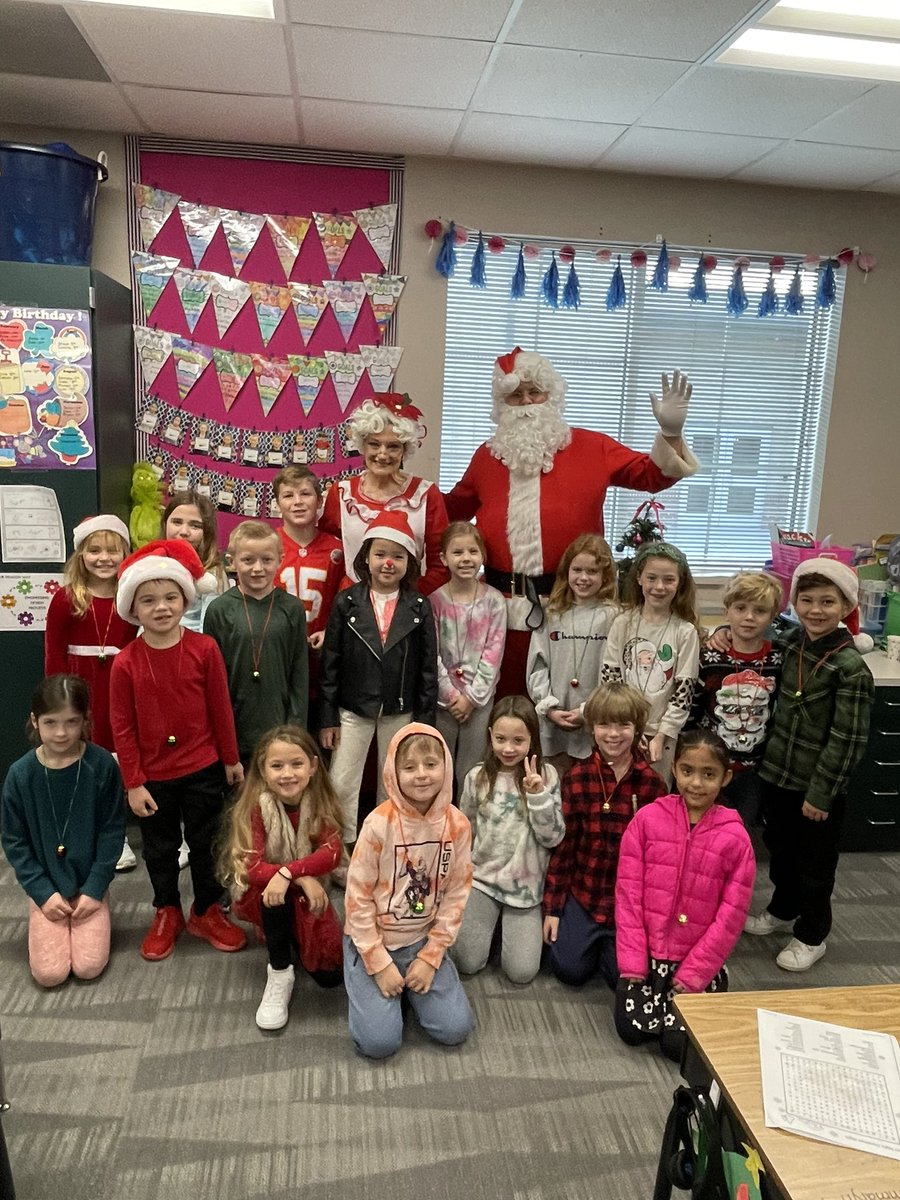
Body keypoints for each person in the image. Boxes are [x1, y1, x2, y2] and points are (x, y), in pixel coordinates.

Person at [445, 348, 698, 693]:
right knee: (503, 709)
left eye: (535, 391)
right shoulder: (488, 457)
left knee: (568, 702)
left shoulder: (592, 447)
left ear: (552, 395)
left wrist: (670, 433)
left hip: (575, 608)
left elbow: (651, 475)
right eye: (516, 395)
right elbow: (448, 512)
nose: (527, 402)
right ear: (502, 405)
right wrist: (402, 494)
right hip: (500, 612)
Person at [109, 539, 246, 961]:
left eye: (171, 597)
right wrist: (132, 781)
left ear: (185, 597)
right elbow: (122, 727)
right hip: (153, 778)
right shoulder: (126, 662)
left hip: (204, 767)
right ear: (134, 608)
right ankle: (166, 908)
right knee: (160, 849)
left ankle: (206, 909)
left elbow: (221, 708)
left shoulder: (205, 649)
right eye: (148, 600)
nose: (162, 607)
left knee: (207, 844)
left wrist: (230, 758)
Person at [742, 558, 874, 972]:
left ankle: (812, 932)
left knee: (815, 864)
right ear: (794, 601)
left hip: (818, 788)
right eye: (807, 600)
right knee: (781, 851)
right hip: (780, 775)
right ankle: (783, 910)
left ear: (845, 606)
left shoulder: (850, 668)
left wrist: (822, 793)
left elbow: (847, 740)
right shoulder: (792, 644)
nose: (816, 610)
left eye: (827, 602)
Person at [614, 728, 755, 1062]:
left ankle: (699, 989)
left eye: (709, 774)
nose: (696, 783)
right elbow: (628, 895)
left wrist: (694, 974)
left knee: (676, 1048)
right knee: (631, 1032)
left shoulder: (736, 838)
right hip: (647, 959)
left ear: (726, 777)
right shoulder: (647, 820)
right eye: (688, 771)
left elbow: (730, 918)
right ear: (674, 769)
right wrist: (634, 963)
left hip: (695, 963)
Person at [343, 723, 473, 1058]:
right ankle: (373, 982)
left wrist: (431, 957)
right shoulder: (377, 824)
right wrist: (378, 962)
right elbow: (356, 900)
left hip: (422, 938)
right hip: (374, 939)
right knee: (379, 1044)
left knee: (455, 1029)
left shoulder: (458, 826)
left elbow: (457, 895)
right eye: (409, 767)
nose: (421, 775)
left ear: (446, 765)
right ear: (392, 772)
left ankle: (416, 988)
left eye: (431, 764)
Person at [319, 511, 438, 854]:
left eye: (398, 556)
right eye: (381, 554)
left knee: (396, 782)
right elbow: (331, 664)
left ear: (410, 563)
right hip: (353, 709)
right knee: (342, 781)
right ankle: (338, 850)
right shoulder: (346, 602)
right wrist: (328, 717)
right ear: (365, 558)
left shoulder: (419, 606)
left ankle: (390, 844)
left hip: (401, 711)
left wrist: (424, 725)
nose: (389, 563)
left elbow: (428, 669)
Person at [1, 675, 124, 987]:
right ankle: (45, 907)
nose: (61, 732)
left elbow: (112, 832)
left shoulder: (102, 766)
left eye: (71, 722)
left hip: (89, 885)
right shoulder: (20, 775)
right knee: (50, 974)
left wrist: (96, 887)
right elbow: (15, 842)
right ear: (35, 720)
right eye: (50, 722)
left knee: (88, 967)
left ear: (85, 720)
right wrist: (42, 893)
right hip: (46, 886)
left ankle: (97, 904)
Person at [542, 683, 666, 989]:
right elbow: (564, 848)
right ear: (592, 728)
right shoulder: (577, 777)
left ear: (637, 728)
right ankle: (587, 938)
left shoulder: (653, 785)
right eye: (604, 724)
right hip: (585, 893)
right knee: (568, 969)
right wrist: (554, 909)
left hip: (628, 902)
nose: (613, 734)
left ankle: (608, 946)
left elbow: (660, 861)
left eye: (623, 725)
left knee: (620, 977)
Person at [220, 726, 344, 1030]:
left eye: (296, 764)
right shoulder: (256, 807)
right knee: (274, 898)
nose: (287, 774)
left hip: (301, 889)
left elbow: (332, 853)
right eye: (277, 766)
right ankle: (279, 969)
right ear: (263, 770)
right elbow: (252, 868)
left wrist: (292, 872)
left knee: (331, 977)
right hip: (264, 892)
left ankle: (291, 932)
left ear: (313, 766)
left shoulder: (320, 802)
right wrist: (301, 877)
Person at [44, 514, 137, 871]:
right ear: (81, 553)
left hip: (118, 688)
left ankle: (120, 836)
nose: (103, 558)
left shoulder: (129, 599)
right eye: (94, 550)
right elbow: (53, 655)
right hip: (79, 690)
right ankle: (88, 835)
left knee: (118, 762)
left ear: (125, 553)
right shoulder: (67, 599)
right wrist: (58, 700)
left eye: (112, 550)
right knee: (81, 761)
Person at [454, 696, 563, 984]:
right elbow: (464, 832)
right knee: (464, 961)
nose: (508, 748)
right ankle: (488, 927)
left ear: (532, 739)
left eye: (518, 740)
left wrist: (538, 796)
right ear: (489, 735)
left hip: (524, 890)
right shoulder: (477, 776)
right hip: (483, 881)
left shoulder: (547, 776)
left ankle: (505, 931)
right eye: (500, 739)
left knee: (522, 973)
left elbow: (553, 838)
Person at [203, 521, 309, 765]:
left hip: (279, 727)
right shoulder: (219, 610)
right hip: (234, 729)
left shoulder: (292, 609)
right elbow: (212, 679)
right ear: (232, 561)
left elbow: (299, 675)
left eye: (267, 560)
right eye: (248, 560)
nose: (258, 568)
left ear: (280, 559)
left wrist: (295, 730)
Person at [320, 393, 448, 594]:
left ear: (405, 450)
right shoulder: (342, 493)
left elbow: (441, 566)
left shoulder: (426, 495)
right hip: (351, 606)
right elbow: (329, 557)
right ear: (363, 445)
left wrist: (408, 599)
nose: (382, 454)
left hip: (405, 607)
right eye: (374, 444)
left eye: (393, 446)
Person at [688, 571, 783, 826]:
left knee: (738, 835)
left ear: (773, 616)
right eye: (740, 608)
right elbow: (692, 711)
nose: (749, 617)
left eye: (760, 611)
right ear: (727, 611)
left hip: (752, 770)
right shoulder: (709, 657)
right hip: (708, 766)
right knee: (699, 831)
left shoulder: (778, 659)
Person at [602, 542, 700, 783]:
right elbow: (610, 679)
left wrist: (662, 734)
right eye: (652, 578)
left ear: (680, 584)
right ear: (639, 579)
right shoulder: (622, 623)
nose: (659, 587)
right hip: (621, 730)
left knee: (654, 799)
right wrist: (627, 726)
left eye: (669, 580)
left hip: (661, 736)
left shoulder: (685, 632)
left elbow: (683, 692)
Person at [527, 534, 619, 775]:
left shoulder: (614, 617)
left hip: (595, 720)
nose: (584, 578)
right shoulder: (552, 613)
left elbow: (616, 672)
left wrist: (589, 710)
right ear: (566, 571)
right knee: (552, 781)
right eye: (577, 569)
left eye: (593, 571)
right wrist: (548, 706)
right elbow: (537, 665)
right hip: (553, 719)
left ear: (605, 576)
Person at [431, 522, 506, 784]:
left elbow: (492, 653)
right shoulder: (435, 601)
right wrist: (451, 695)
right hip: (444, 702)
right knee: (440, 767)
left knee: (472, 772)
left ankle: (467, 823)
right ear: (443, 558)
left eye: (473, 552)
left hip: (479, 701)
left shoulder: (494, 601)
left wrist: (471, 698)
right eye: (457, 552)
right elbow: (432, 654)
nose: (466, 559)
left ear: (483, 556)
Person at [162, 491, 228, 633]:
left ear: (207, 532)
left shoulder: (212, 572)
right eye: (177, 522)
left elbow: (211, 628)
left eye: (195, 526)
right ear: (165, 524)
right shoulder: (151, 563)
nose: (184, 531)